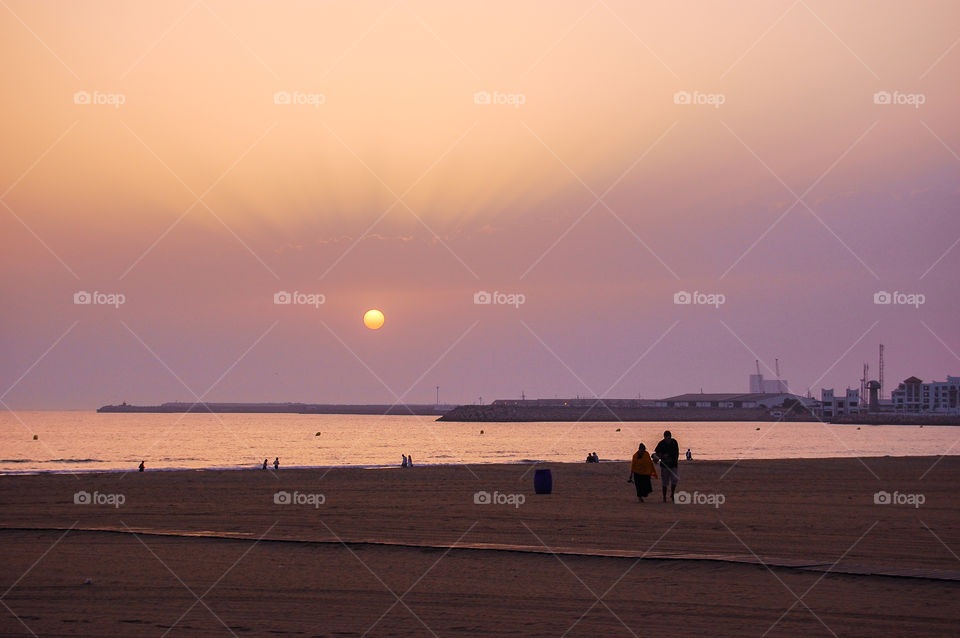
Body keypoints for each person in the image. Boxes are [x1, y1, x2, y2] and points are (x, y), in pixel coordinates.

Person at [654, 430, 680, 502]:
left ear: (670, 437)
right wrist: (661, 456)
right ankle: (664, 497)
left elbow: (677, 453)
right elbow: (656, 453)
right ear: (664, 437)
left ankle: (672, 494)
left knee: (675, 479)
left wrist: (672, 459)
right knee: (665, 482)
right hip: (664, 466)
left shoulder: (674, 442)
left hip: (673, 465)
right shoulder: (661, 443)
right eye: (666, 438)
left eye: (669, 438)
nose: (668, 439)